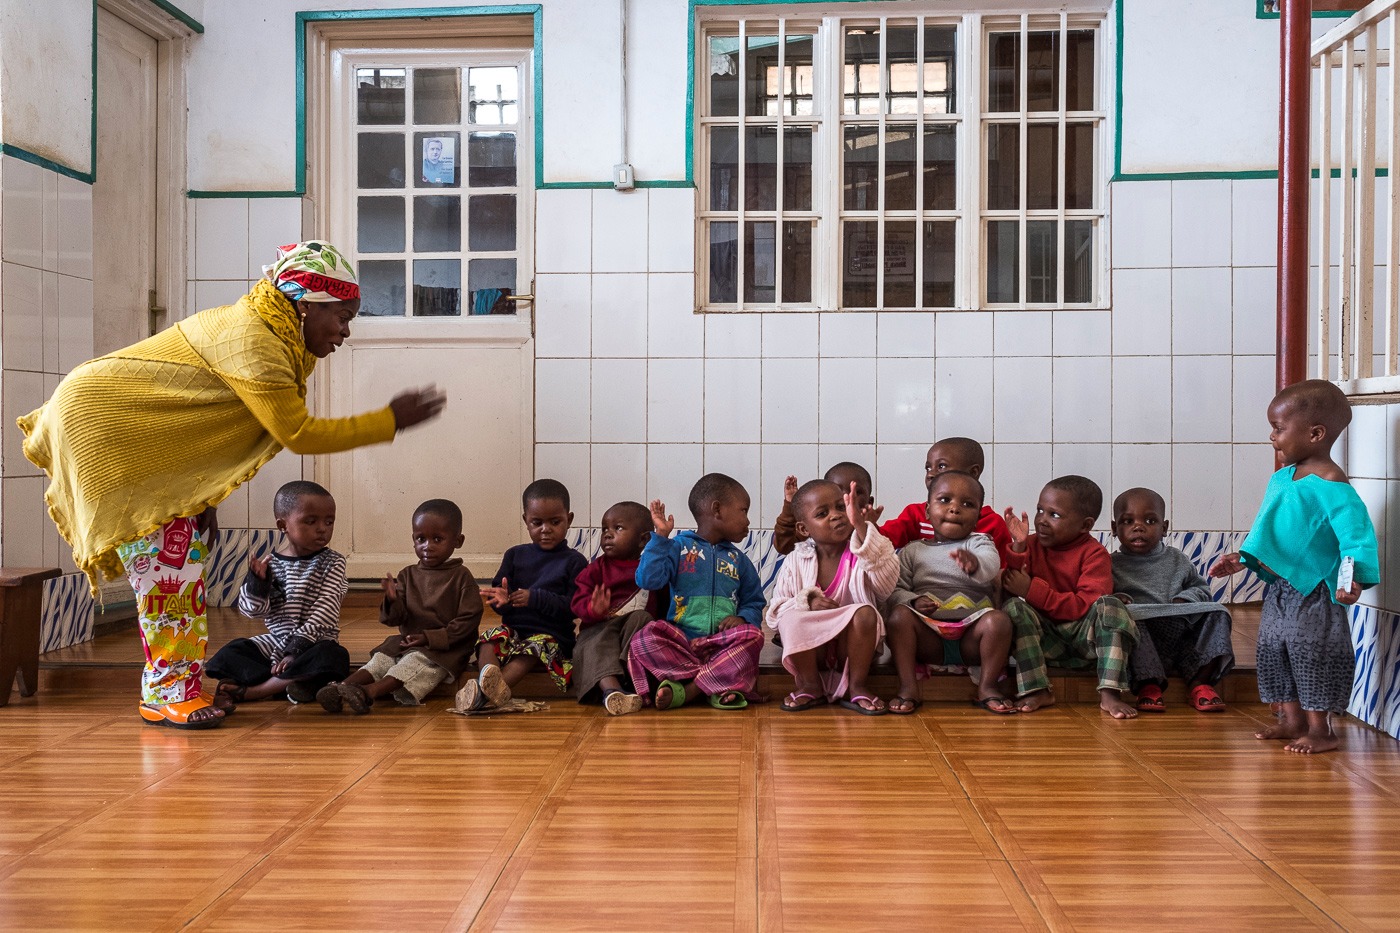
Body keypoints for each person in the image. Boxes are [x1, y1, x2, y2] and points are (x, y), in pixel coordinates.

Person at [18, 240, 445, 729]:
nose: (345, 333)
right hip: (107, 426)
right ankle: (166, 693)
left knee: (179, 566)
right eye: (343, 317)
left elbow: (193, 420)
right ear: (306, 305)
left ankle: (174, 684)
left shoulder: (264, 330)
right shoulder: (254, 342)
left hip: (130, 431)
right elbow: (298, 433)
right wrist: (389, 421)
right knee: (169, 575)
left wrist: (198, 495)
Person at [1211, 379, 1379, 754]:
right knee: (1273, 648)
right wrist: (1243, 558)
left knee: (1312, 652)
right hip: (1282, 588)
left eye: (1279, 428)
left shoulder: (1332, 484)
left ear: (1316, 433)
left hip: (1317, 587)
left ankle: (1321, 729)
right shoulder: (1283, 478)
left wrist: (1356, 578)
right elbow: (1270, 532)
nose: (1273, 437)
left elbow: (1357, 536)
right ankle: (1291, 719)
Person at [885, 471, 1053, 715]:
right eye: (944, 500)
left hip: (972, 640)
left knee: (998, 621)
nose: (955, 509)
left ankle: (987, 686)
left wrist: (974, 564)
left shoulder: (980, 543)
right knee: (899, 617)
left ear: (977, 518)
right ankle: (908, 687)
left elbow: (990, 566)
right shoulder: (913, 551)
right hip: (929, 636)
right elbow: (896, 589)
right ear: (927, 512)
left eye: (967, 504)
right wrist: (913, 601)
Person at [319, 499, 483, 714]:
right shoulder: (407, 575)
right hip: (409, 641)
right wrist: (392, 599)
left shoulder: (461, 577)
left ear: (457, 541)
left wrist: (429, 638)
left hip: (446, 648)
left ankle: (369, 693)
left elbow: (468, 621)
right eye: (420, 539)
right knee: (381, 659)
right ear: (413, 539)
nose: (427, 546)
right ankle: (341, 687)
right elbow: (394, 619)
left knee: (412, 665)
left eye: (437, 539)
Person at [1001, 475, 1140, 719]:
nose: (1042, 520)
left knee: (1112, 605)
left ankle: (1110, 691)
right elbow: (1011, 584)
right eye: (1040, 510)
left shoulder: (1095, 554)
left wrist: (1031, 590)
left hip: (1087, 643)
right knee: (1013, 608)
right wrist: (1020, 547)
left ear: (1085, 525)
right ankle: (1037, 688)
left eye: (1054, 515)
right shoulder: (1033, 546)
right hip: (1046, 643)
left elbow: (1083, 606)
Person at [627, 473, 766, 710]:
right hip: (683, 643)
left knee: (754, 636)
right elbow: (647, 580)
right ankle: (718, 682)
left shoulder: (738, 560)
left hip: (723, 645)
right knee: (644, 637)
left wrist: (742, 618)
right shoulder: (677, 547)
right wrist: (660, 538)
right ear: (717, 510)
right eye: (743, 511)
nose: (747, 520)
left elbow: (754, 602)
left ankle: (689, 689)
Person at [205, 481, 349, 710]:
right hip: (276, 642)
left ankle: (257, 690)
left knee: (334, 656)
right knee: (232, 651)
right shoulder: (270, 565)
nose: (322, 528)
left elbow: (326, 609)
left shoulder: (333, 562)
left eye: (329, 521)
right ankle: (293, 684)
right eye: (311, 521)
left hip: (314, 641)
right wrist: (257, 585)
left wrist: (296, 650)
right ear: (283, 525)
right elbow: (251, 611)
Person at [766, 479, 897, 714]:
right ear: (804, 529)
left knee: (866, 613)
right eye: (822, 513)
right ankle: (810, 684)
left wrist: (864, 531)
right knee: (790, 618)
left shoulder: (861, 552)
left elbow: (885, 587)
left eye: (840, 507)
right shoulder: (796, 560)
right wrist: (807, 601)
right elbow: (775, 612)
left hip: (854, 647)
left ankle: (857, 685)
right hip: (813, 651)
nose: (836, 515)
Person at [456, 479, 587, 712]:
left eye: (555, 522)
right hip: (515, 632)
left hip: (552, 637)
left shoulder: (574, 561)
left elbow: (575, 607)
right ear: (526, 520)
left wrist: (535, 598)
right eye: (537, 522)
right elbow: (500, 597)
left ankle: (489, 694)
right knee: (489, 638)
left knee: (534, 648)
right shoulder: (515, 555)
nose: (545, 529)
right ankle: (488, 683)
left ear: (569, 519)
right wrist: (502, 602)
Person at [1110, 487, 1235, 713]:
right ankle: (1149, 685)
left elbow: (1201, 588)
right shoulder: (1110, 564)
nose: (1138, 527)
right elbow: (1099, 597)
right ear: (1114, 528)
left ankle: (1200, 683)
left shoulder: (1178, 559)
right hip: (1142, 640)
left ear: (1164, 528)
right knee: (1126, 619)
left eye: (1150, 520)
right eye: (1128, 521)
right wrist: (1118, 599)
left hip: (1180, 631)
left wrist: (1184, 598)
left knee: (1218, 612)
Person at [570, 501, 666, 716]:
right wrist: (592, 609)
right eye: (605, 529)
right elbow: (577, 603)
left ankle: (634, 682)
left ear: (644, 539)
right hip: (598, 631)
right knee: (596, 642)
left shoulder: (649, 569)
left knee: (643, 618)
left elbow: (665, 604)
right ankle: (612, 691)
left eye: (618, 528)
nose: (608, 534)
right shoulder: (595, 570)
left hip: (629, 642)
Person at [879, 437, 1012, 561]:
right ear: (927, 511)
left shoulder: (993, 524)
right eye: (928, 468)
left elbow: (1002, 572)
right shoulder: (915, 515)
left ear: (973, 473)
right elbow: (881, 543)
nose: (931, 474)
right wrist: (865, 525)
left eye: (941, 466)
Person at [772, 461, 881, 555]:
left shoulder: (871, 531)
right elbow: (784, 546)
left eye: (856, 492)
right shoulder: (817, 528)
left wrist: (863, 528)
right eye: (837, 490)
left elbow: (880, 561)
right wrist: (790, 508)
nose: (847, 496)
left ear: (869, 501)